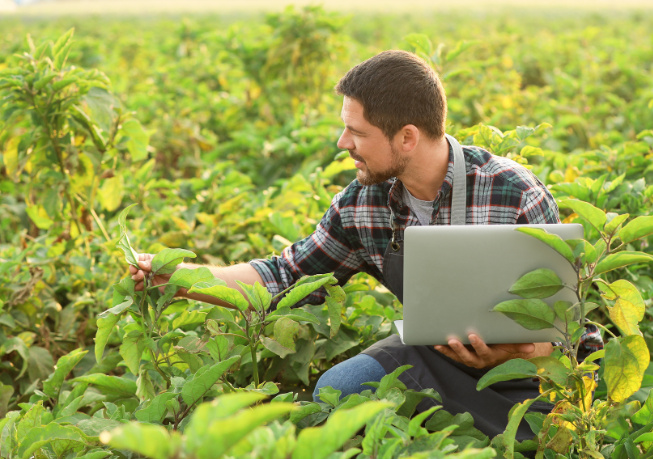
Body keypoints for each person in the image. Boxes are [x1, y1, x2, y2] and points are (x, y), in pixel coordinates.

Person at [130, 50, 602, 440]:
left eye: (356, 133)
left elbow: (563, 336)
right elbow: (285, 276)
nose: (342, 143)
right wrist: (178, 277)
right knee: (339, 392)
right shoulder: (363, 202)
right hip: (434, 357)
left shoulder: (515, 193)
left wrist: (513, 355)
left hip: (533, 374)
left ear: (407, 137)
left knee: (549, 437)